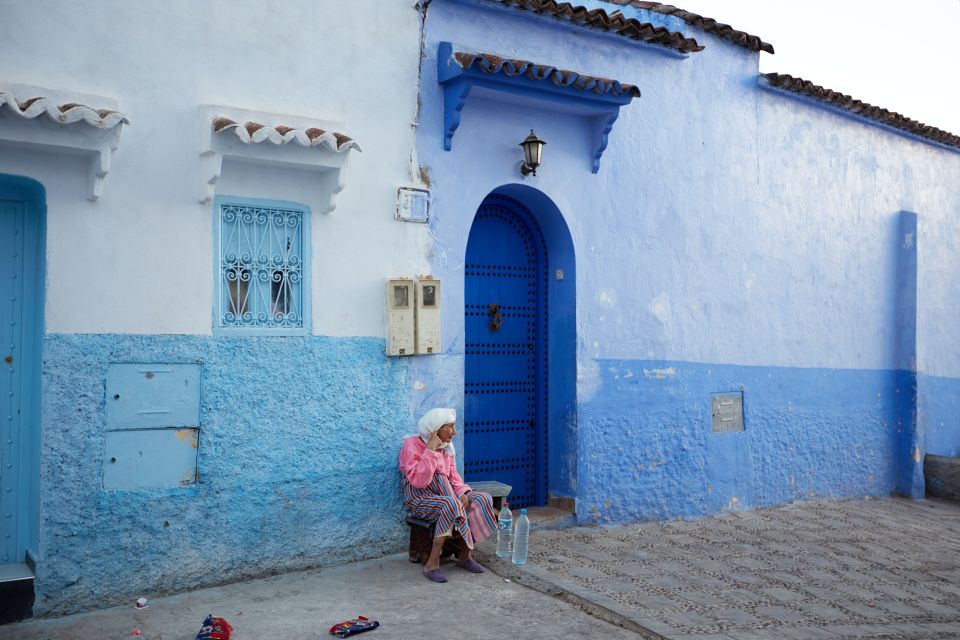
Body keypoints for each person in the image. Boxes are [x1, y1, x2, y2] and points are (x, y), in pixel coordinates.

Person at [399, 408, 497, 583]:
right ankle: (431, 565)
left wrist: (464, 494)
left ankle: (465, 556)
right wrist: (430, 450)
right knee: (450, 503)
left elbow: (455, 479)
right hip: (420, 498)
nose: (454, 432)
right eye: (450, 427)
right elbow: (419, 482)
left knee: (483, 498)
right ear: (435, 430)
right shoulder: (411, 445)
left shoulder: (447, 449)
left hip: (446, 495)